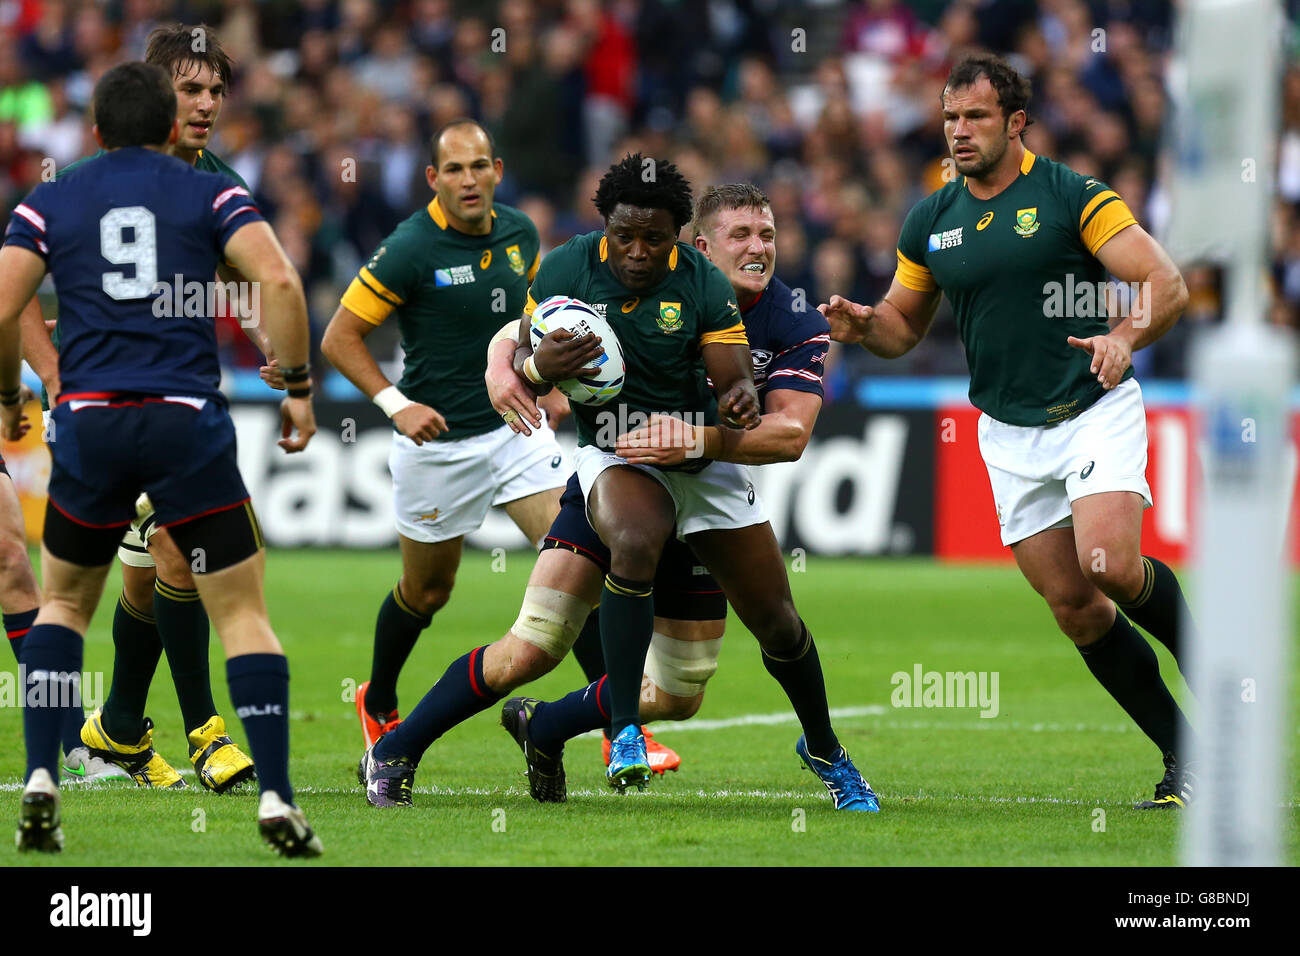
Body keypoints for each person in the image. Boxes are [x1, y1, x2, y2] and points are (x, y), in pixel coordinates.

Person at [360, 158, 877, 811]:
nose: (758, 248)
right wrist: (513, 366)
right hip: (621, 459)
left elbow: (790, 433)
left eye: (767, 234)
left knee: (725, 661)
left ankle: (548, 726)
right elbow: (524, 334)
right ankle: (405, 746)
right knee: (536, 642)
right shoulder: (579, 268)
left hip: (709, 472)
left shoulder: (782, 316)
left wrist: (714, 425)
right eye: (741, 234)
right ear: (703, 244)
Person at [820, 53, 1196, 809]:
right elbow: (901, 326)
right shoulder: (932, 218)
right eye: (950, 117)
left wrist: (1123, 337)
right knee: (1076, 608)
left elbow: (1167, 283)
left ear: (1016, 122)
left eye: (976, 117)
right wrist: (864, 326)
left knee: (1109, 565)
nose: (958, 131)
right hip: (1008, 431)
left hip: (1091, 406)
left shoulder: (1072, 195)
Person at [2, 61, 321, 854]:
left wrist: (15, 393)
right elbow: (280, 281)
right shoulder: (208, 192)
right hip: (184, 419)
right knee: (242, 611)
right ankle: (275, 794)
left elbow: (4, 303)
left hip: (91, 421)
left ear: (96, 131)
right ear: (170, 125)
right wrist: (297, 385)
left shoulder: (54, 197)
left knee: (63, 606)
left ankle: (43, 776)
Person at [321, 119, 568, 753]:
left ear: (497, 171)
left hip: (515, 427)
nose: (468, 179)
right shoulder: (410, 248)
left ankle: (621, 725)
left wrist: (550, 381)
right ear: (433, 178)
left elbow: (535, 316)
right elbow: (339, 338)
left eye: (479, 166)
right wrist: (396, 404)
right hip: (438, 447)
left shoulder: (521, 232)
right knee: (428, 591)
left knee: (577, 560)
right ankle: (377, 700)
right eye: (454, 169)